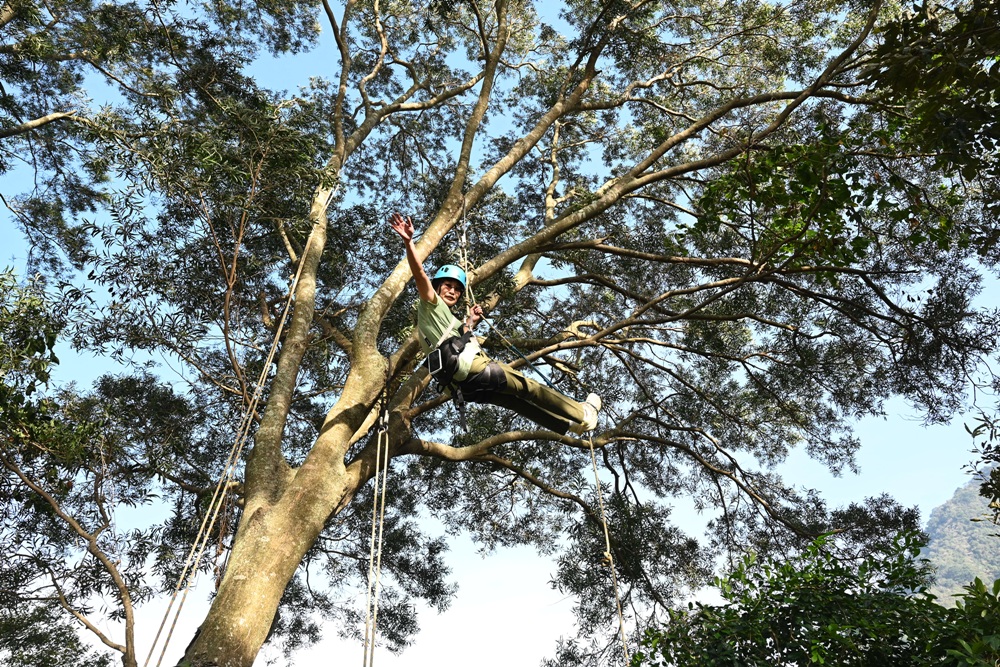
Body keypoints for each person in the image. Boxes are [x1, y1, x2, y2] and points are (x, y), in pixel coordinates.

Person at [390, 212, 601, 435]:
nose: (453, 291)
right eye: (448, 286)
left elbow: (459, 340)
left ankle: (568, 425)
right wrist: (409, 242)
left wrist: (470, 322)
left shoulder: (445, 321)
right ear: (438, 287)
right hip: (474, 369)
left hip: (462, 387)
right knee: (528, 386)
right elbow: (420, 273)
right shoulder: (431, 303)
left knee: (517, 401)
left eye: (457, 289)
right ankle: (583, 413)